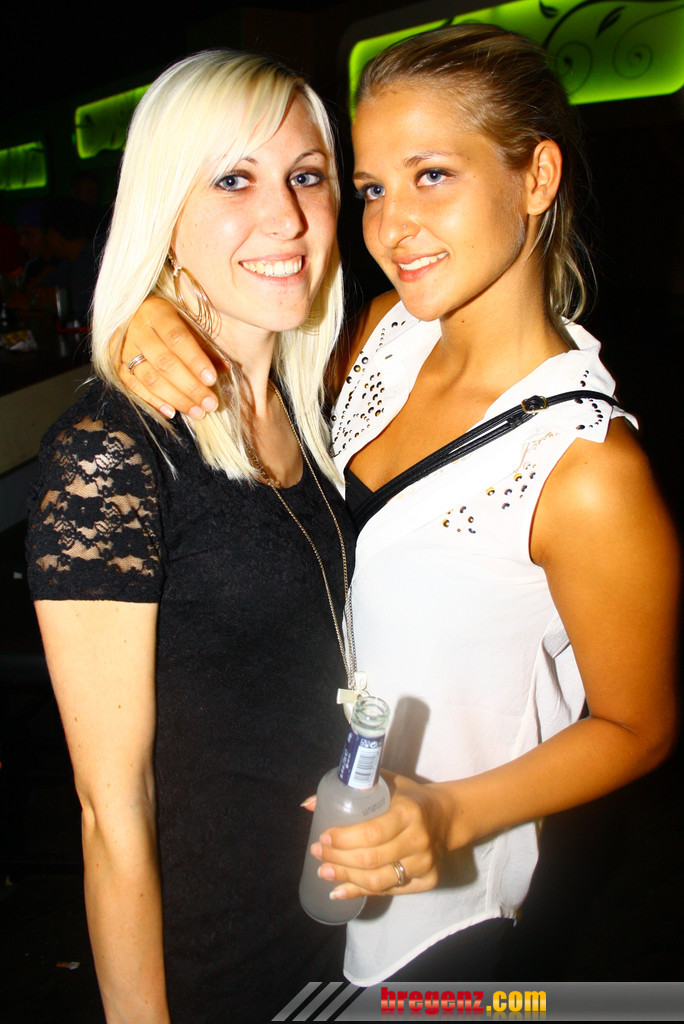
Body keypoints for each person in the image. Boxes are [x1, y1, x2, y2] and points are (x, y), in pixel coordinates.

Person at [113, 26, 679, 985]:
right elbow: (243, 315)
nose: (391, 227)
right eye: (373, 189)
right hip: (305, 864)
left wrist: (451, 814)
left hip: (443, 912)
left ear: (536, 178)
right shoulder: (379, 336)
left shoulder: (587, 469)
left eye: (433, 176)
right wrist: (154, 312)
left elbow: (639, 726)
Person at [26, 50, 355, 1022]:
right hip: (227, 958)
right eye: (232, 180)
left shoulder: (324, 407)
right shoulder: (111, 451)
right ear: (163, 209)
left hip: (348, 928)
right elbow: (111, 813)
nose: (286, 217)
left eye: (306, 175)